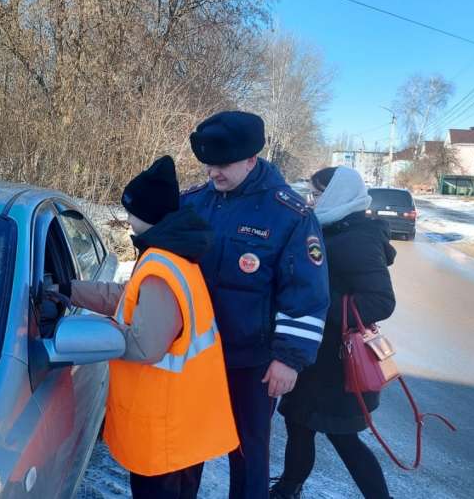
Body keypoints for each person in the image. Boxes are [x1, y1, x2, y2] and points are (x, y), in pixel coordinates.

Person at [54, 156, 239, 499]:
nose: (126, 218)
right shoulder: (170, 256)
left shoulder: (159, 268)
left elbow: (145, 345)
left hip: (165, 429)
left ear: (146, 214)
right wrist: (67, 290)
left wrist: (99, 331)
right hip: (182, 421)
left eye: (130, 211)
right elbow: (127, 298)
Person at [181, 111, 331, 499]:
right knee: (185, 445)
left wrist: (290, 358)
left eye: (223, 165)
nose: (214, 173)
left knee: (248, 451)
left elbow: (306, 292)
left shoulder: (289, 214)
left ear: (251, 159)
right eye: (209, 165)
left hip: (253, 361)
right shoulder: (195, 204)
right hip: (194, 353)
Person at [271, 166, 396, 499]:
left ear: (338, 194)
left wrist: (317, 302)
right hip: (315, 356)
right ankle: (288, 487)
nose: (312, 200)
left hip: (337, 364)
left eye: (318, 193)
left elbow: (381, 302)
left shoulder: (357, 237)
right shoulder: (330, 226)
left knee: (343, 437)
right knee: (298, 424)